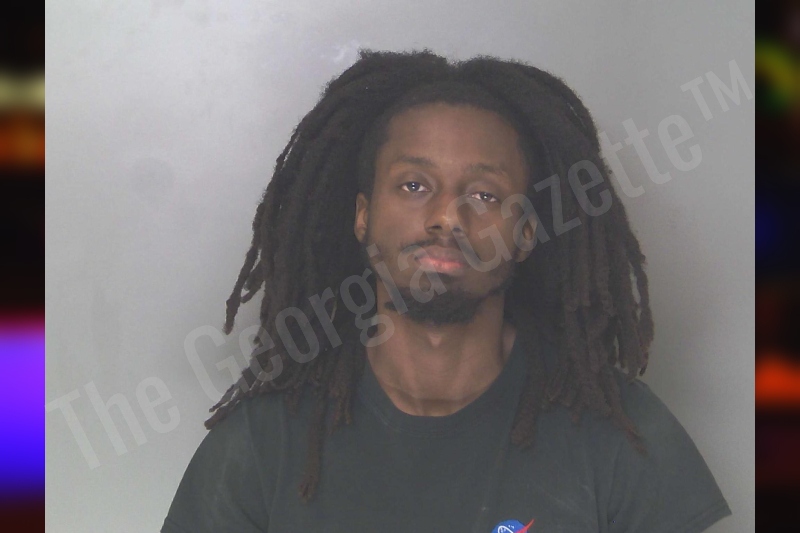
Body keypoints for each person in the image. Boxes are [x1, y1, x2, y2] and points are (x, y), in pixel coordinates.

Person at [162, 49, 732, 533]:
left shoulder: (621, 433)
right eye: (414, 185)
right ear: (362, 216)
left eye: (484, 195)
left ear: (525, 232)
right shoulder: (262, 444)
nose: (446, 216)